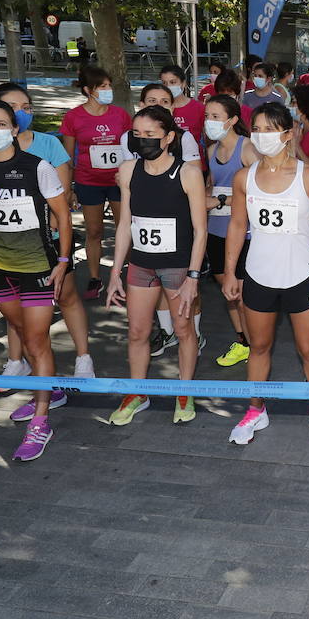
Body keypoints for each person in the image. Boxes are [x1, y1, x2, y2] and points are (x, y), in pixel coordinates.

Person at [222, 103, 309, 445]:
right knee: (258, 347)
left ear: (288, 134)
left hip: (303, 275)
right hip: (258, 275)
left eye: (269, 130)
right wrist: (231, 272)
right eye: (256, 129)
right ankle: (255, 410)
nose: (261, 136)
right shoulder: (244, 178)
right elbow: (237, 225)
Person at [0, 100, 72, 460]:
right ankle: (51, 389)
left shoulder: (36, 167)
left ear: (14, 129)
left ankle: (40, 421)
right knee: (22, 332)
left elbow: (63, 215)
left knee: (37, 340)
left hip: (37, 266)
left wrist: (63, 260)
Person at [104, 106, 207, 425]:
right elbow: (124, 224)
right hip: (142, 265)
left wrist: (193, 276)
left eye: (150, 134)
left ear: (169, 137)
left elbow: (200, 230)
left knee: (183, 329)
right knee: (137, 331)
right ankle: (138, 391)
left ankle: (185, 390)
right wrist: (115, 271)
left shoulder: (188, 172)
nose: (142, 140)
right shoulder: (129, 169)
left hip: (177, 266)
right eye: (137, 134)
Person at [60, 65, 132, 300]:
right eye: (102, 86)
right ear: (88, 90)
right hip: (89, 181)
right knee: (94, 230)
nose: (108, 90)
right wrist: (68, 188)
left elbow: (131, 148)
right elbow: (67, 157)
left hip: (119, 181)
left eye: (109, 85)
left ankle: (128, 273)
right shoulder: (73, 117)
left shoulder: (120, 115)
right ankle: (94, 277)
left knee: (126, 228)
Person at [202, 95, 256, 368]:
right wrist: (204, 197)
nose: (209, 122)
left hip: (244, 232)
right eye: (207, 116)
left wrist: (220, 200)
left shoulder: (247, 149)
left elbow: (259, 193)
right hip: (216, 229)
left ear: (233, 120)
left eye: (215, 116)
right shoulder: (211, 151)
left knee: (243, 292)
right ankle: (243, 341)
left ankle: (257, 344)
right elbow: (213, 185)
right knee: (228, 290)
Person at [159, 65, 205, 139]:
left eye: (172, 82)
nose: (168, 86)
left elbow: (207, 137)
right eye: (164, 83)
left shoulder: (199, 107)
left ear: (183, 83)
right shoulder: (158, 108)